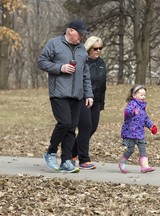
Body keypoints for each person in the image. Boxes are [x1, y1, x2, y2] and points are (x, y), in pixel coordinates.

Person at [38, 19, 94, 173]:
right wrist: (60, 67)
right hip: (59, 92)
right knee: (64, 123)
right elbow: (42, 62)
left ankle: (66, 161)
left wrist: (88, 94)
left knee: (71, 128)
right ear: (70, 31)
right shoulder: (54, 43)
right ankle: (50, 152)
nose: (82, 37)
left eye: (83, 35)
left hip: (77, 95)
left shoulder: (82, 50)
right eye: (80, 34)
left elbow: (85, 74)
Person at [71, 36, 107, 169]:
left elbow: (103, 84)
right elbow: (81, 81)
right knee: (85, 128)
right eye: (95, 48)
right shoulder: (83, 62)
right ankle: (84, 160)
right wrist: (85, 96)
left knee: (92, 128)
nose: (98, 51)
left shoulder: (101, 63)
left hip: (96, 101)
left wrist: (101, 103)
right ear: (88, 48)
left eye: (100, 48)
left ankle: (71, 153)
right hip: (83, 99)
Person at [119, 85, 158, 173]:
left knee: (142, 148)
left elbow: (145, 118)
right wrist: (133, 112)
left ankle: (144, 166)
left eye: (144, 95)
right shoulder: (132, 104)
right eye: (141, 95)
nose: (143, 97)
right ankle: (122, 163)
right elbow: (127, 111)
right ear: (134, 95)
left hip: (139, 133)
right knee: (130, 150)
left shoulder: (142, 107)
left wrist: (151, 126)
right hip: (130, 132)